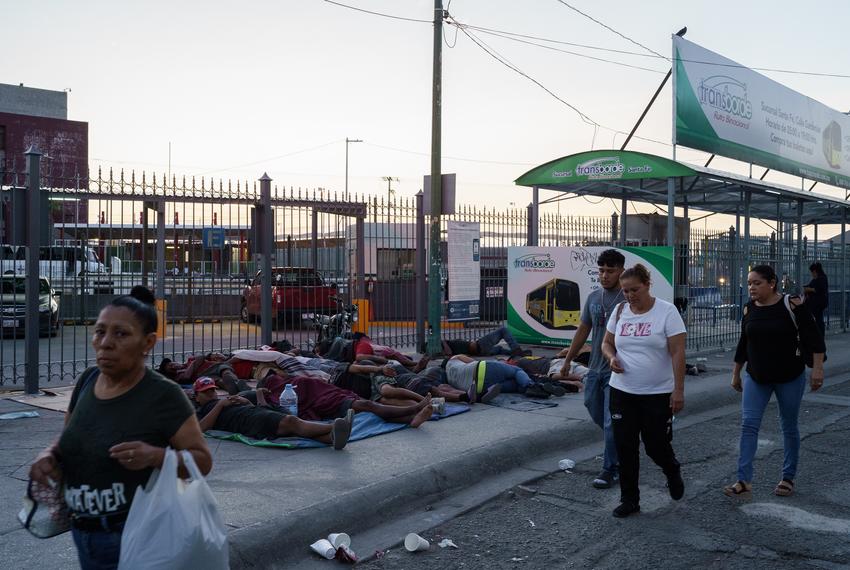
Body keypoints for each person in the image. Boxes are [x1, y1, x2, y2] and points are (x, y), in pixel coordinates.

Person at [29, 286, 212, 569]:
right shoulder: (88, 380)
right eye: (100, 331)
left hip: (134, 535)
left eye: (121, 334)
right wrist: (50, 455)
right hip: (83, 531)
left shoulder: (163, 395)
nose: (105, 343)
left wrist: (154, 456)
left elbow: (202, 461)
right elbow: (68, 437)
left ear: (148, 342)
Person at [724, 264, 825, 498]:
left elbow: (814, 337)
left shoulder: (792, 305)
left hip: (789, 377)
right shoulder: (749, 309)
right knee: (749, 425)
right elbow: (743, 343)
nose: (751, 287)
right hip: (756, 376)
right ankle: (743, 480)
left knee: (788, 426)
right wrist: (736, 372)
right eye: (749, 283)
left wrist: (817, 369)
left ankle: (788, 477)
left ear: (772, 283)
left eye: (757, 283)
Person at [601, 264, 687, 518]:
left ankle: (671, 470)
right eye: (625, 291)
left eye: (634, 290)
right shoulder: (619, 311)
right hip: (622, 391)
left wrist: (678, 390)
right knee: (625, 447)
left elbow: (678, 352)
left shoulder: (667, 312)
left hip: (657, 393)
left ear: (648, 285)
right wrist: (610, 357)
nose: (629, 296)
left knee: (655, 445)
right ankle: (630, 500)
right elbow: (607, 343)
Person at [560, 249, 625, 489]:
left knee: (610, 422)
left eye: (610, 271)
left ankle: (611, 468)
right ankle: (620, 441)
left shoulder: (626, 299)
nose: (605, 275)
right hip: (595, 368)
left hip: (617, 371)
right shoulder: (593, 298)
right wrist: (568, 359)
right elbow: (583, 330)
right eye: (601, 270)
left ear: (621, 271)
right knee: (592, 406)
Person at [193, 377, 355, 447]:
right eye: (206, 392)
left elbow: (250, 407)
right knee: (291, 422)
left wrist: (246, 401)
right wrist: (220, 405)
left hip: (251, 413)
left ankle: (332, 438)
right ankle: (335, 426)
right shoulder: (203, 409)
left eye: (212, 391)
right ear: (197, 397)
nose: (211, 394)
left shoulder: (222, 401)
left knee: (293, 428)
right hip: (248, 421)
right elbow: (200, 428)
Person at [439, 326, 531, 357]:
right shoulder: (446, 345)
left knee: (499, 349)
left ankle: (515, 353)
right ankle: (516, 350)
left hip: (481, 351)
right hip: (480, 346)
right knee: (503, 330)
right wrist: (443, 341)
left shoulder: (451, 346)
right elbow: (449, 353)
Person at [803, 261, 828, 337]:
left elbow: (818, 289)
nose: (812, 274)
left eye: (813, 272)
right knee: (817, 319)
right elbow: (811, 285)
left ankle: (820, 334)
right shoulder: (816, 279)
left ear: (816, 271)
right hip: (814, 303)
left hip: (819, 303)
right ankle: (817, 334)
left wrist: (809, 289)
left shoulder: (822, 278)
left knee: (819, 320)